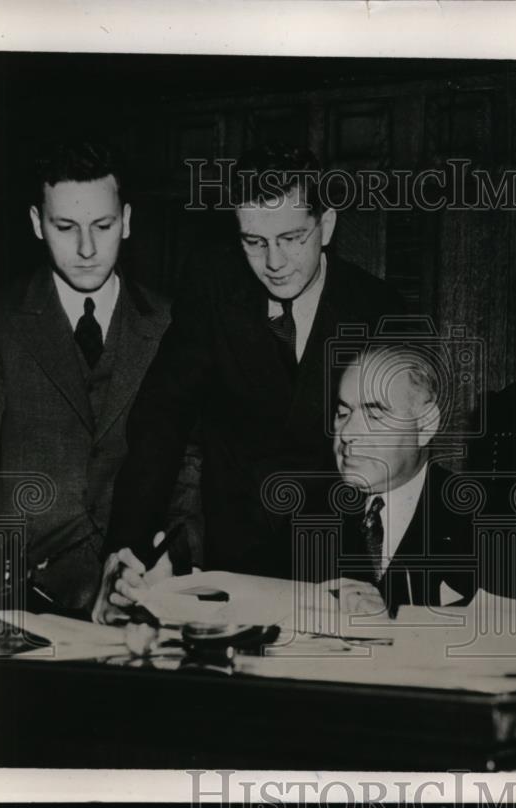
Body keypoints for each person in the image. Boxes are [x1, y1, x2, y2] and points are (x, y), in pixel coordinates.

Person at [95, 143, 404, 622]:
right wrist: (127, 549)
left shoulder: (379, 311)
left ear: (327, 225)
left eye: (292, 237)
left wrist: (381, 579)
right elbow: (160, 419)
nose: (274, 262)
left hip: (342, 572)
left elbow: (399, 462)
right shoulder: (213, 288)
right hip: (230, 567)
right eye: (254, 242)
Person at [0, 140, 174, 613]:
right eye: (65, 227)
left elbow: (189, 466)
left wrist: (174, 556)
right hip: (22, 599)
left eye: (102, 227)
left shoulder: (168, 323)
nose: (86, 248)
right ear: (36, 224)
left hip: (142, 593)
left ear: (126, 220)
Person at [325, 344, 475, 615]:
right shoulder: (310, 512)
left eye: (374, 415)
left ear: (425, 425)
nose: (347, 434)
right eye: (343, 413)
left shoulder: (482, 519)